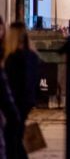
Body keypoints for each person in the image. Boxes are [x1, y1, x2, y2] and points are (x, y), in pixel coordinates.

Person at [3, 22, 38, 159]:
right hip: (27, 102)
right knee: (17, 136)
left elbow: (11, 84)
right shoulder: (33, 56)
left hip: (16, 103)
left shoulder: (13, 58)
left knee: (12, 138)